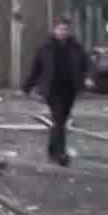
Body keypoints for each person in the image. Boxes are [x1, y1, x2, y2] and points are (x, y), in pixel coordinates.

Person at [21, 18, 88, 166]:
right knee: (58, 119)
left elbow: (85, 64)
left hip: (70, 89)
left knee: (61, 121)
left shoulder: (76, 47)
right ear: (54, 30)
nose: (62, 32)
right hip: (53, 90)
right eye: (60, 29)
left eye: (65, 29)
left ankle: (52, 148)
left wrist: (84, 80)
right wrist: (27, 86)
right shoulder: (45, 48)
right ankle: (61, 154)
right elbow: (36, 69)